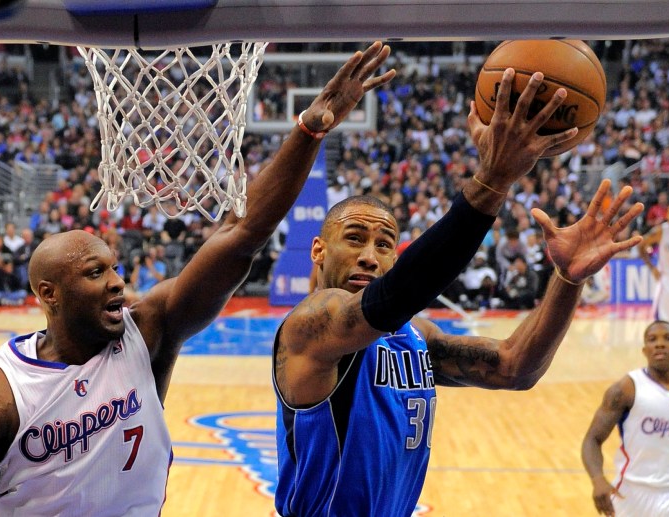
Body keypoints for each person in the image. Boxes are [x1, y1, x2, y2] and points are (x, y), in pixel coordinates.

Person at [0, 42, 396, 517]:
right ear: (48, 294)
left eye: (114, 268)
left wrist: (307, 132)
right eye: (96, 273)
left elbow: (239, 235)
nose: (117, 282)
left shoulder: (148, 331)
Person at [271, 66, 645, 516]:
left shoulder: (416, 338)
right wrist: (494, 178)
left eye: (385, 245)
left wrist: (568, 279)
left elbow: (514, 368)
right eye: (354, 239)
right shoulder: (312, 325)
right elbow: (399, 293)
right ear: (318, 249)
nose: (370, 256)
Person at [581, 320, 669, 517]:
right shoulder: (625, 389)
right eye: (652, 340)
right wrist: (597, 479)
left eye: (667, 338)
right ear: (645, 351)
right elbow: (592, 440)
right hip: (632, 494)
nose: (659, 344)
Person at [639, 203, 669, 327]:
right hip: (668, 282)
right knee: (666, 324)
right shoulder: (661, 231)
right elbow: (641, 245)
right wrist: (652, 268)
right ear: (667, 215)